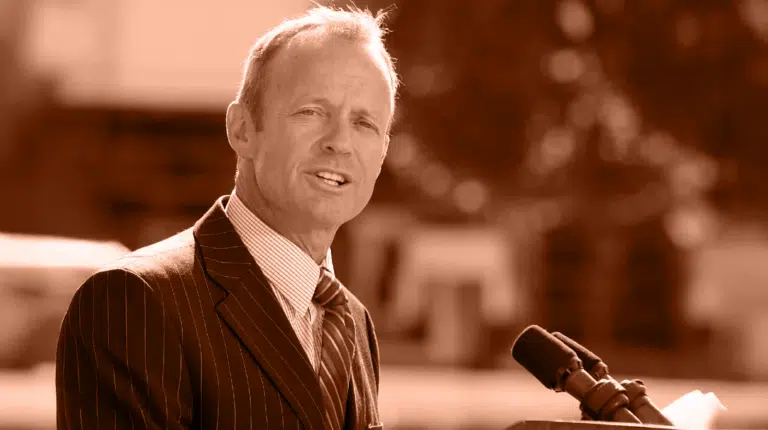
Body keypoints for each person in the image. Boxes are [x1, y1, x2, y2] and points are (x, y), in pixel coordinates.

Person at [55, 5, 399, 430]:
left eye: (364, 123)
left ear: (382, 152)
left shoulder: (354, 321)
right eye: (312, 112)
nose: (340, 142)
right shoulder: (134, 301)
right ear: (241, 129)